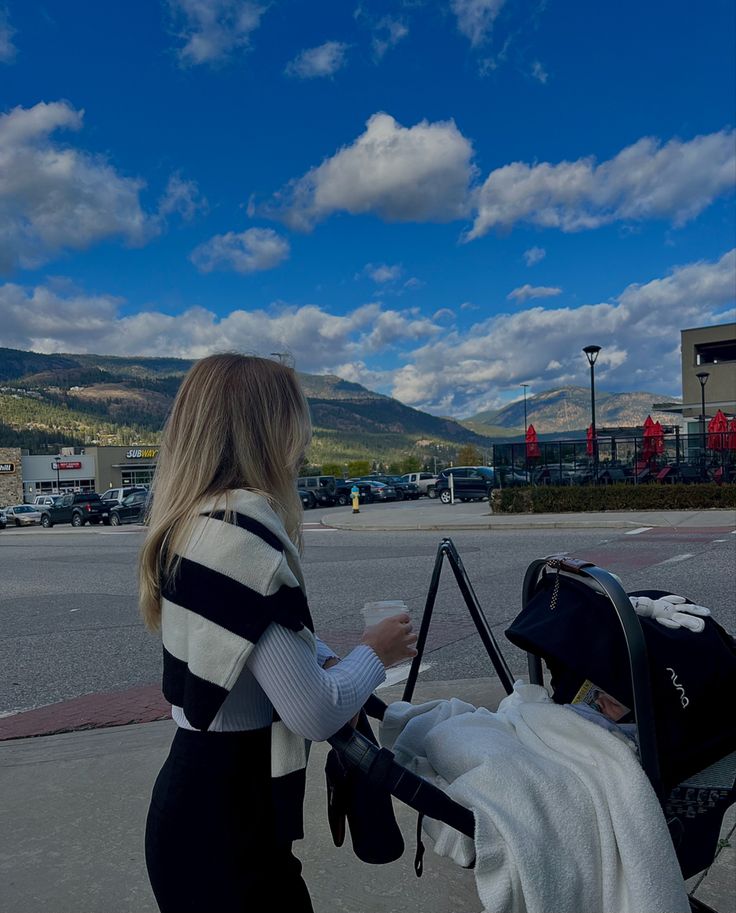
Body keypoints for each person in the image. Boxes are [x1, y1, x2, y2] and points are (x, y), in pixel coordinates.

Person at [140, 353, 417, 913]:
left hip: (199, 805)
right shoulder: (243, 537)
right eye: (296, 428)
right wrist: (375, 653)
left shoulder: (193, 523)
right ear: (266, 433)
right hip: (228, 826)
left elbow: (247, 640)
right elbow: (313, 713)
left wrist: (324, 656)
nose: (304, 447)